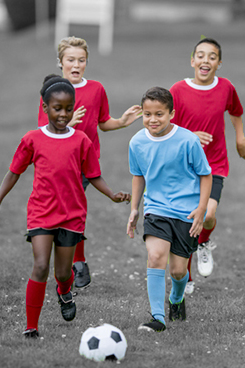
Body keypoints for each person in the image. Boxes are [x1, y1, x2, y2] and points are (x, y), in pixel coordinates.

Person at [0, 75, 130, 338]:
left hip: (72, 215)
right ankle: (31, 326)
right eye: (57, 108)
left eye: (68, 108)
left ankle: (64, 292)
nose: (63, 114)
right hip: (41, 212)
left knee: (63, 273)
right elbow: (14, 172)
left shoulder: (81, 141)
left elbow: (93, 175)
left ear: (74, 107)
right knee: (41, 266)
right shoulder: (32, 139)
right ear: (45, 108)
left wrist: (112, 194)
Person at [38, 36, 141, 289]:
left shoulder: (96, 89)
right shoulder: (52, 91)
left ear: (86, 62)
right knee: (62, 213)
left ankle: (78, 262)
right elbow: (42, 131)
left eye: (81, 60)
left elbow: (103, 123)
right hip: (56, 164)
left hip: (85, 163)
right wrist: (67, 125)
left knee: (74, 208)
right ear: (60, 62)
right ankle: (67, 259)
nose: (76, 64)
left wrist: (122, 122)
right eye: (70, 60)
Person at [169, 37, 245, 293]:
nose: (205, 60)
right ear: (192, 60)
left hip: (214, 163)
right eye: (201, 55)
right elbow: (165, 126)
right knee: (185, 221)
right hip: (183, 165)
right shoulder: (177, 90)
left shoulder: (226, 87)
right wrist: (190, 136)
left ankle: (204, 244)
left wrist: (240, 139)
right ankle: (187, 279)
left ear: (219, 63)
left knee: (207, 215)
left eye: (212, 57)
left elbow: (236, 111)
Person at [126, 87, 212, 332]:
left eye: (159, 114)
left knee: (177, 271)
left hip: (186, 212)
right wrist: (134, 209)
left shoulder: (188, 140)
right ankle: (158, 318)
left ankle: (176, 297)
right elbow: (138, 175)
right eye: (147, 114)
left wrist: (201, 209)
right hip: (156, 209)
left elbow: (206, 175)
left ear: (172, 114)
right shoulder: (137, 142)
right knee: (155, 257)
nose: (152, 119)